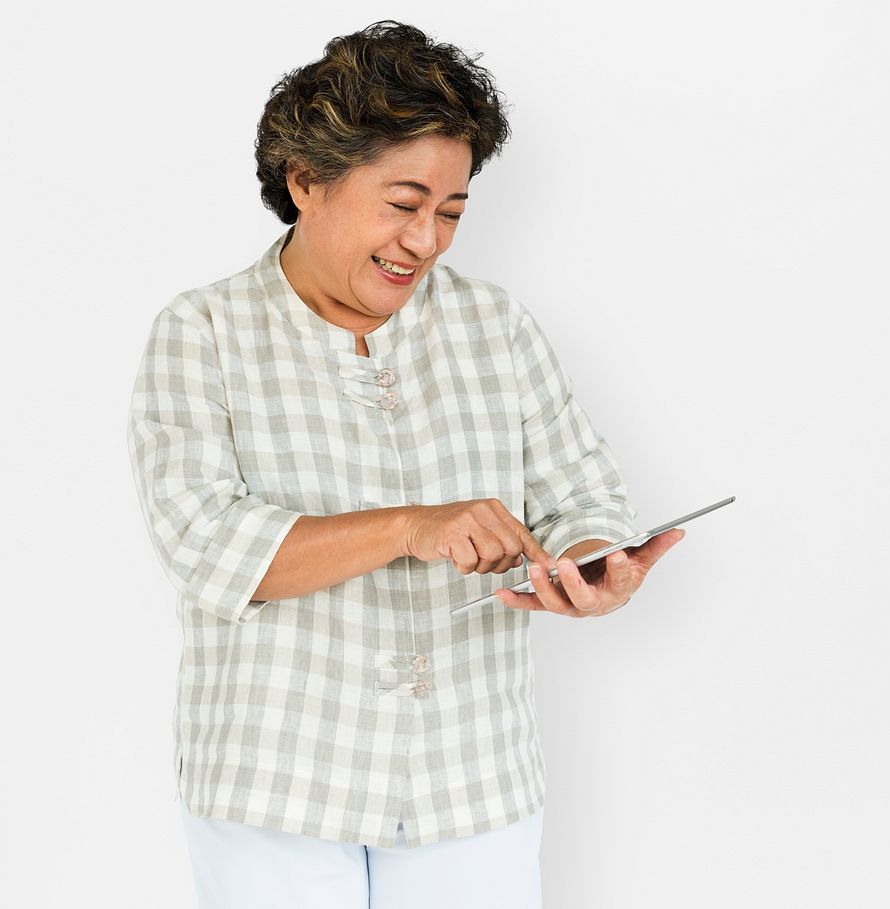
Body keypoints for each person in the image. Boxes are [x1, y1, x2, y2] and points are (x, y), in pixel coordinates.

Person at [126, 19, 685, 909]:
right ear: (306, 181)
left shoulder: (493, 326)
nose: (426, 241)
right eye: (403, 202)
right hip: (275, 784)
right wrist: (412, 527)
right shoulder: (203, 333)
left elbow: (584, 493)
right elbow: (206, 546)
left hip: (472, 779)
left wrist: (592, 562)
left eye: (452, 212)